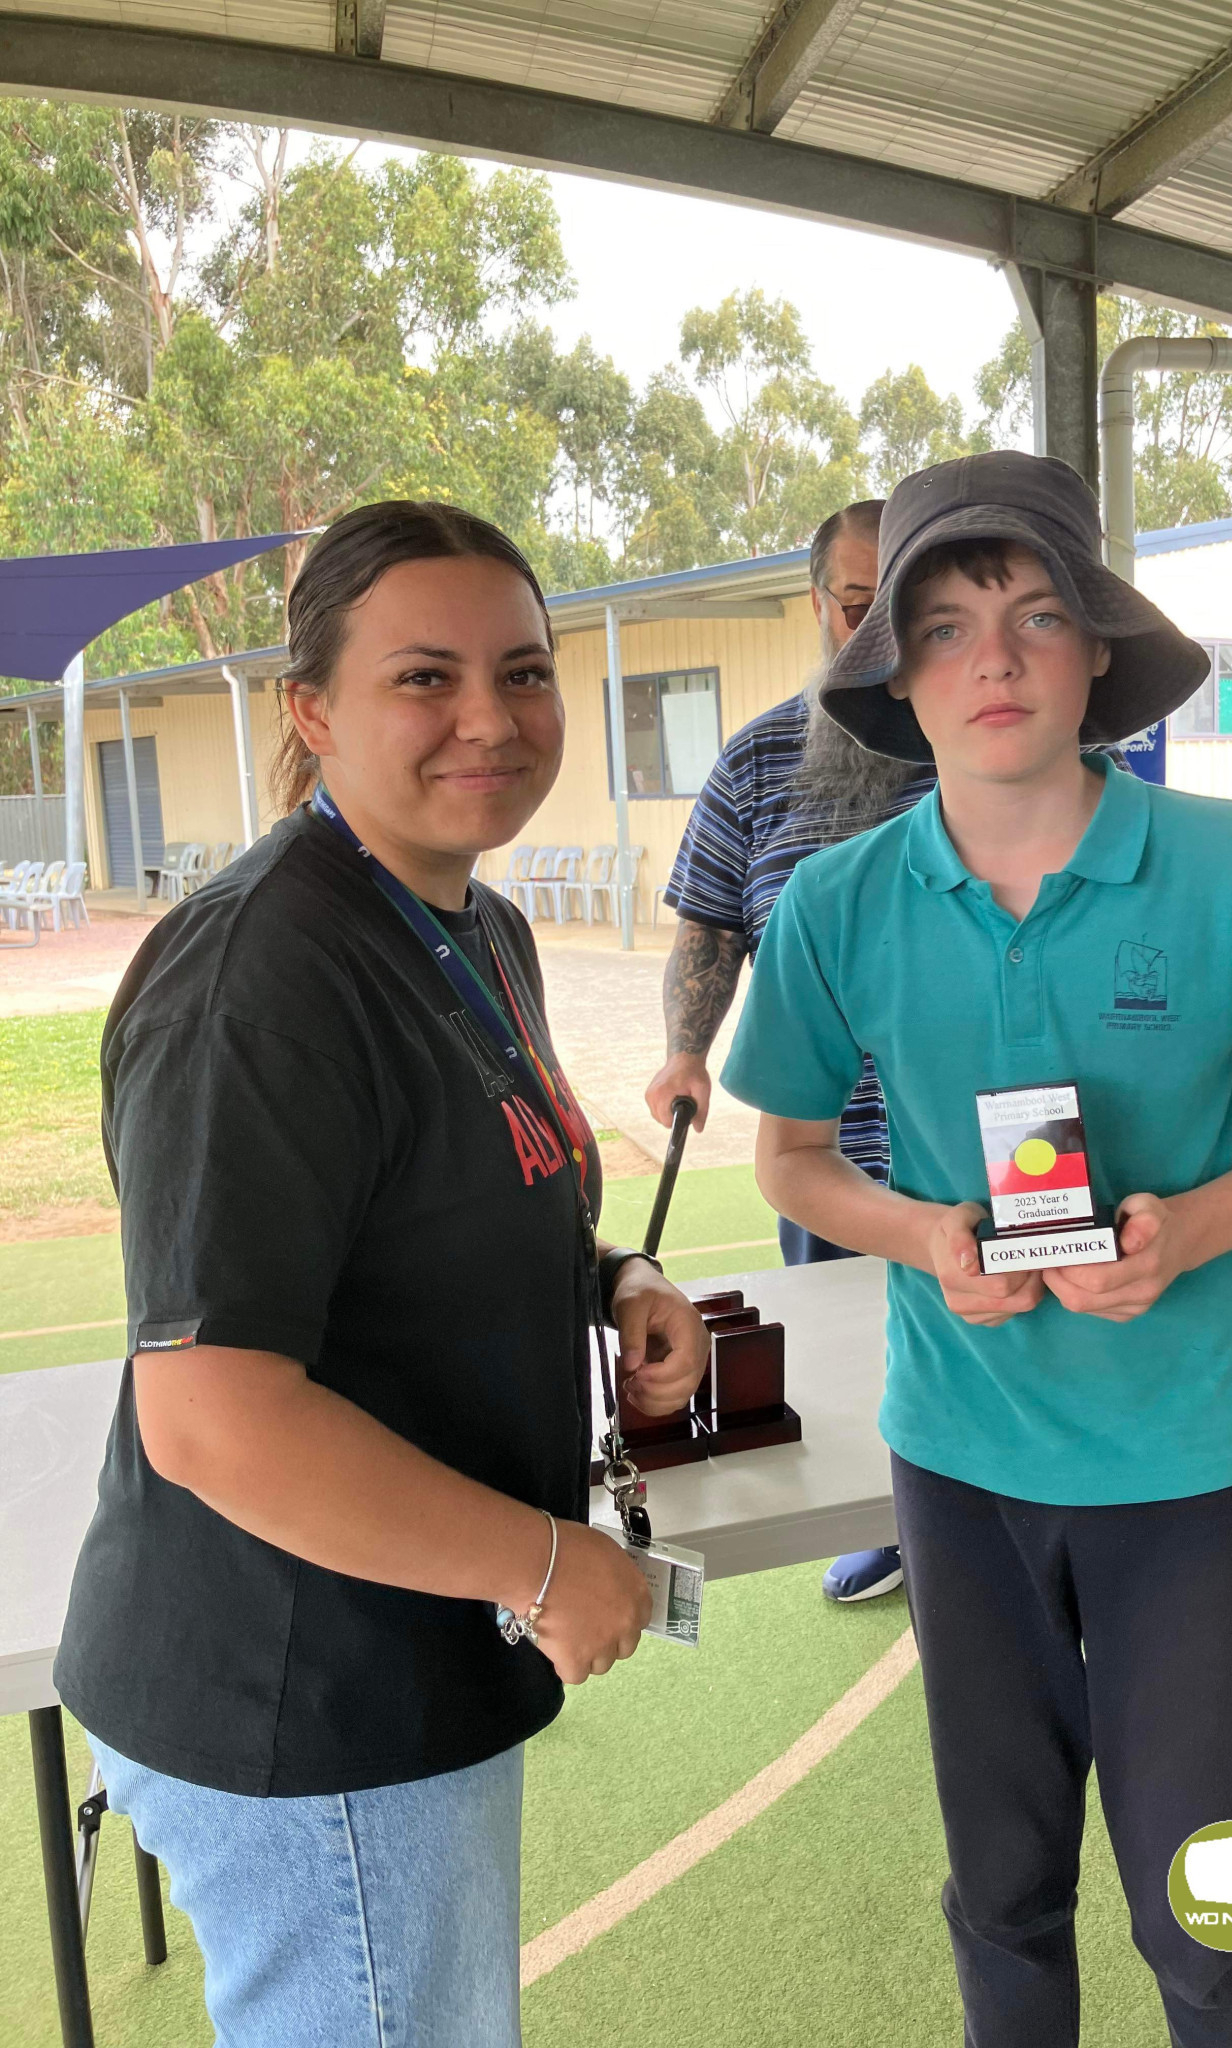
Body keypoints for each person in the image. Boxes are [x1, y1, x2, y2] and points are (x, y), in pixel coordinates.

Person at [721, 451, 1232, 2046]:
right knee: (1004, 1889)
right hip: (959, 1464)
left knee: (1206, 1899)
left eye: (1037, 616)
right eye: (948, 626)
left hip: (1181, 1465)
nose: (998, 659)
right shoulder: (837, 905)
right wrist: (926, 1236)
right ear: (902, 671)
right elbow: (794, 1160)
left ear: (1101, 651)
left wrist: (1190, 1229)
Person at [52, 501, 709, 2048]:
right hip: (308, 1705)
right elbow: (212, 1417)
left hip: (410, 1655)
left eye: (525, 671)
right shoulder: (259, 975)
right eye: (426, 677)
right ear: (309, 710)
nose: (491, 718)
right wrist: (545, 1566)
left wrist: (611, 1277)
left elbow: (436, 1198)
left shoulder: (472, 921)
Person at [646, 495, 932, 1605]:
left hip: (997, 1150)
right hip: (826, 1150)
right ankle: (893, 1524)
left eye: (906, 606)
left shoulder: (1002, 757)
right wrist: (684, 1049)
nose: (878, 630)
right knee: (843, 1369)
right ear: (819, 602)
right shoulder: (760, 758)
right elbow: (710, 923)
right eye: (858, 602)